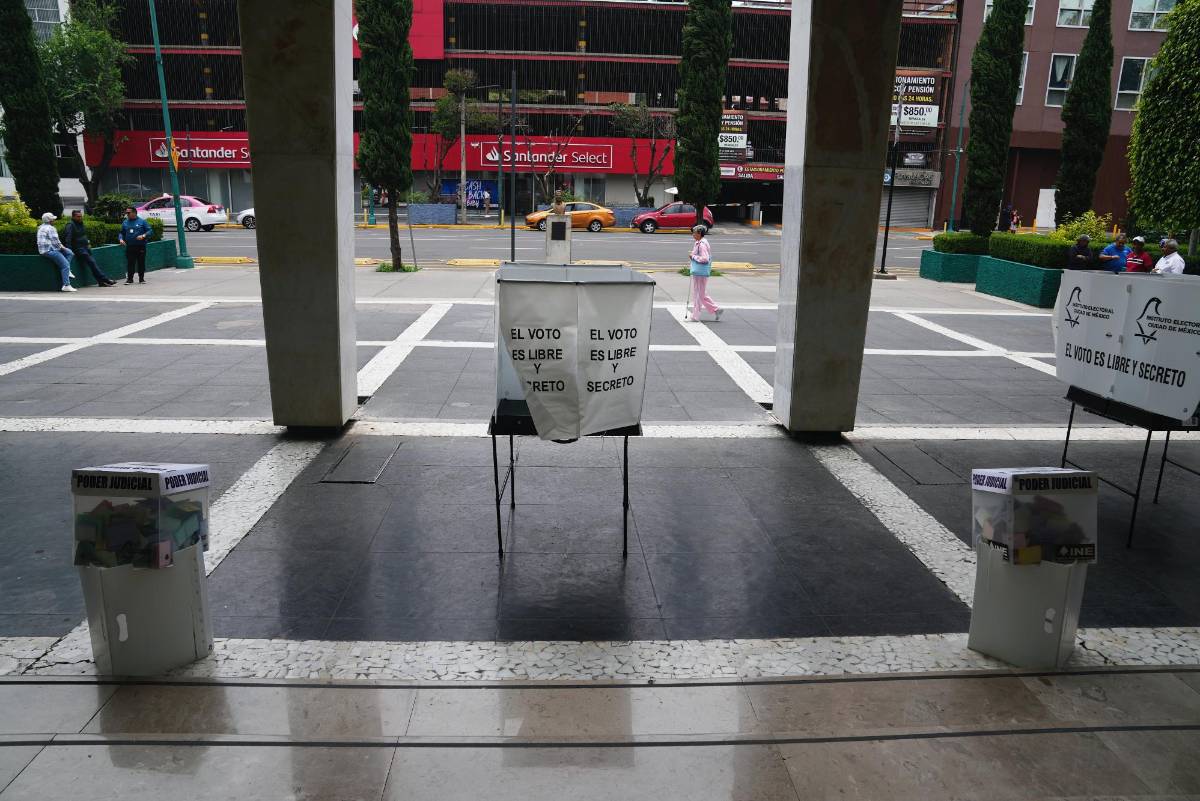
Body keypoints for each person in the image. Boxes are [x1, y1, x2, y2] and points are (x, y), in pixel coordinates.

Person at [62, 210, 116, 287]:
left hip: (85, 248)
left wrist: (88, 244)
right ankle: (105, 279)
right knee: (92, 263)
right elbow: (68, 239)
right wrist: (70, 251)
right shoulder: (70, 225)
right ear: (73, 217)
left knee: (93, 264)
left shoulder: (80, 223)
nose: (80, 218)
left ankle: (101, 282)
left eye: (81, 216)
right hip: (78, 249)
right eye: (78, 216)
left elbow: (83, 235)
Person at [687, 224, 721, 322]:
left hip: (700, 272)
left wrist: (693, 257)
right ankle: (716, 309)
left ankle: (695, 316)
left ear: (699, 233)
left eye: (694, 233)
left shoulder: (701, 244)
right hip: (700, 272)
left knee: (698, 294)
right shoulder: (700, 242)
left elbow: (705, 259)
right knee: (701, 293)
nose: (693, 235)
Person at [36, 213, 77, 292]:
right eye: (53, 219)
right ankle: (66, 285)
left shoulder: (41, 227)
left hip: (44, 250)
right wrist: (62, 248)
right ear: (50, 220)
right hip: (49, 250)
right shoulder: (51, 228)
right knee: (65, 265)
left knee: (69, 253)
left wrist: (63, 248)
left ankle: (68, 271)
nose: (54, 220)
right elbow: (55, 242)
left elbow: (54, 242)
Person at [118, 206, 153, 284]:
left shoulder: (142, 222)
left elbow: (150, 231)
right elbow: (121, 232)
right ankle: (130, 279)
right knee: (130, 262)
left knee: (141, 262)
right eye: (126, 213)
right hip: (130, 246)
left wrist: (143, 235)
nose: (127, 214)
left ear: (134, 213)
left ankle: (141, 279)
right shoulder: (125, 222)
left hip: (140, 246)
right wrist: (120, 239)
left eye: (128, 213)